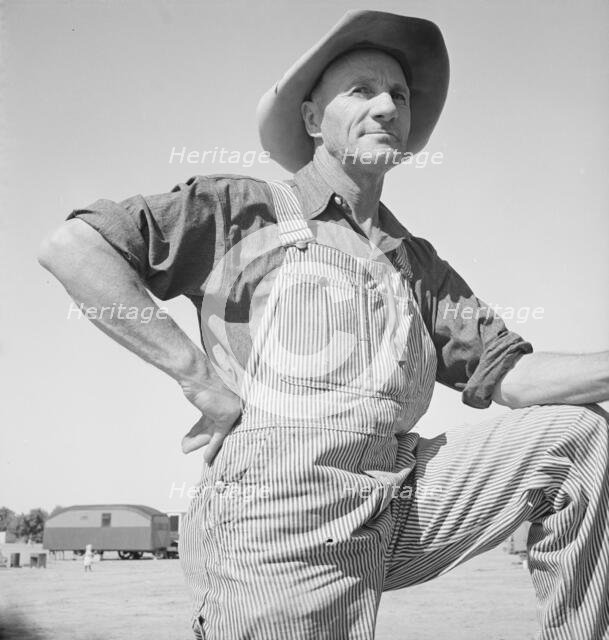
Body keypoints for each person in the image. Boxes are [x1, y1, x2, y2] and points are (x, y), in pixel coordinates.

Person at [38, 9, 609, 640]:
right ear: (313, 119)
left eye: (399, 94)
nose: (389, 106)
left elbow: (515, 378)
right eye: (362, 90)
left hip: (400, 497)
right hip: (280, 512)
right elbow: (75, 248)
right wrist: (195, 376)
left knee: (580, 436)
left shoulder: (416, 262)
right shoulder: (243, 212)